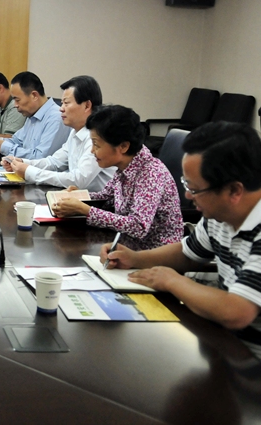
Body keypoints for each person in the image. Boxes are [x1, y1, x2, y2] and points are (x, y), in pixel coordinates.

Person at [102, 122, 261, 357]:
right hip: (225, 343)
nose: (187, 195)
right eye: (187, 184)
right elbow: (188, 253)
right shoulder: (219, 215)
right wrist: (135, 258)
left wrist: (172, 281)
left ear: (234, 191)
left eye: (195, 189)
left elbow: (237, 312)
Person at [53, 105, 183, 250]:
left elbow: (138, 226)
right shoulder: (126, 166)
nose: (92, 150)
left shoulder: (151, 173)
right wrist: (78, 197)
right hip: (124, 245)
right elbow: (106, 197)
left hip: (153, 254)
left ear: (123, 146)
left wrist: (86, 211)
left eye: (96, 144)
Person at [3, 75, 115, 191]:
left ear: (87, 105)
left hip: (98, 200)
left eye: (66, 103)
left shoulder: (98, 137)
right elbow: (54, 162)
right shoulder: (75, 132)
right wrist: (22, 163)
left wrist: (29, 171)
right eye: (62, 103)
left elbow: (78, 180)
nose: (61, 108)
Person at [0, 71, 70, 159]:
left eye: (17, 100)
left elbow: (41, 157)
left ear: (34, 95)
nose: (15, 105)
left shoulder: (56, 118)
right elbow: (16, 141)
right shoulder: (32, 115)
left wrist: (4, 147)